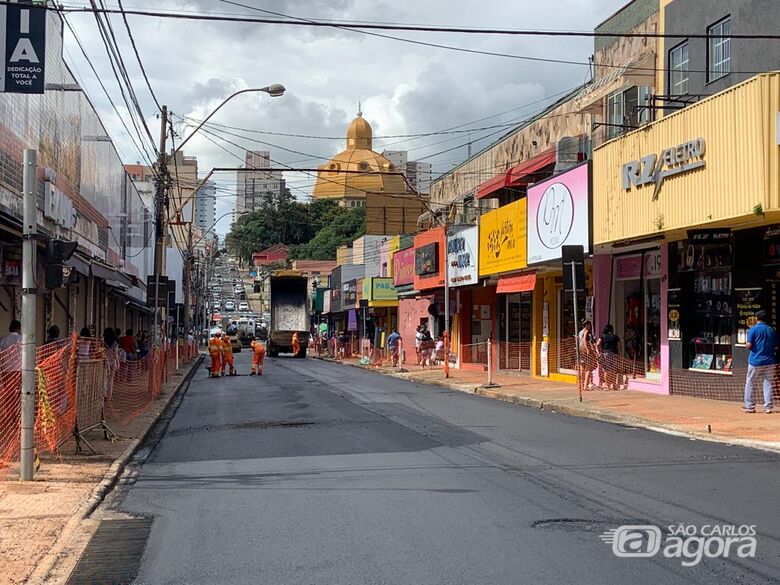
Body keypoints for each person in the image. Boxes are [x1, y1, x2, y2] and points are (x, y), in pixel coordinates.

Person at [744, 310, 776, 414]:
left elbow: (749, 345)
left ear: (756, 318)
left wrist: (748, 345)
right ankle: (768, 407)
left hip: (755, 361)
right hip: (770, 360)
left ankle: (750, 406)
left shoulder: (753, 330)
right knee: (768, 383)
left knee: (750, 383)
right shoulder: (771, 330)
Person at [596, 324, 621, 391]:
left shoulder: (603, 336)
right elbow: (618, 347)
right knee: (614, 370)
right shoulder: (615, 336)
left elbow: (598, 344)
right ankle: (613, 385)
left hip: (605, 354)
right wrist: (619, 355)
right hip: (614, 354)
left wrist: (599, 352)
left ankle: (607, 385)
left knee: (606, 370)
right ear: (612, 329)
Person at [577, 320, 597, 391]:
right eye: (590, 325)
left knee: (582, 368)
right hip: (585, 351)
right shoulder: (586, 332)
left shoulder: (580, 332)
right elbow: (585, 340)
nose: (591, 326)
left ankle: (581, 385)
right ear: (586, 325)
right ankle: (585, 386)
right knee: (588, 369)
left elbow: (578, 340)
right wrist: (588, 349)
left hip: (580, 350)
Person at [103, 327, 118, 401]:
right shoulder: (114, 342)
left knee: (105, 379)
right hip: (113, 361)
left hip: (106, 361)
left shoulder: (103, 341)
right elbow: (116, 353)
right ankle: (110, 396)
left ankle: (104, 395)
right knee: (111, 380)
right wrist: (118, 363)